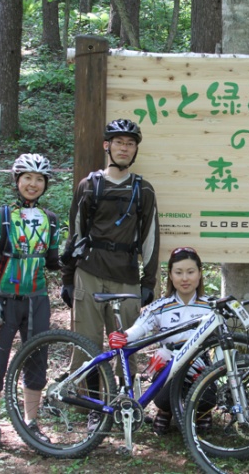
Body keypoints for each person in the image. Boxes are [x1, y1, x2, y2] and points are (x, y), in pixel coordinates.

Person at [60, 119, 160, 430]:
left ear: (135, 151)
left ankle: (121, 402)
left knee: (125, 345)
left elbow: (151, 238)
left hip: (126, 276)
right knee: (89, 344)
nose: (124, 148)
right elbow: (75, 232)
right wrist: (66, 277)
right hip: (88, 273)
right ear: (108, 146)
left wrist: (149, 282)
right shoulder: (89, 185)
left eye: (129, 143)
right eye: (119, 142)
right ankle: (92, 405)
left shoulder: (143, 190)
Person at [0, 153, 61, 453]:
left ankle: (31, 422)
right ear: (17, 181)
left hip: (37, 299)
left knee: (37, 361)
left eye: (39, 179)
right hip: (5, 299)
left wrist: (70, 257)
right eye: (27, 178)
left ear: (45, 184)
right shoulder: (1, 216)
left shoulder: (50, 220)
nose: (33, 184)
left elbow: (52, 263)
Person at [107, 247, 212, 436]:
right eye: (178, 272)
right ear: (170, 276)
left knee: (210, 388)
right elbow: (140, 327)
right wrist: (124, 336)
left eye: (190, 272)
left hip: (201, 369)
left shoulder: (212, 306)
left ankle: (203, 411)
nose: (185, 278)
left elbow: (223, 344)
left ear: (199, 273)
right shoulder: (160, 306)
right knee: (166, 386)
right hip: (169, 369)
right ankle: (165, 410)